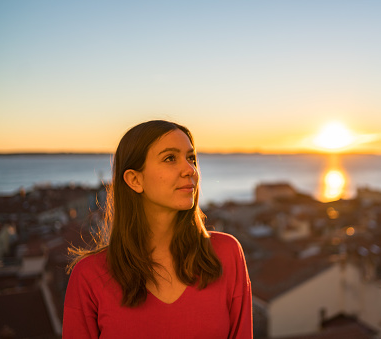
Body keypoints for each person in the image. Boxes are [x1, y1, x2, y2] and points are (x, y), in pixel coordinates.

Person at [63, 120, 253, 338]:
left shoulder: (226, 253)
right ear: (135, 179)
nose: (190, 169)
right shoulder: (89, 276)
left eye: (191, 158)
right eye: (170, 158)